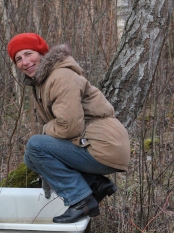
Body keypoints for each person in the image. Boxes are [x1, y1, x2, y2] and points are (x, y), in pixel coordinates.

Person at [7, 33, 130, 223]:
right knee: (31, 159)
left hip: (104, 145)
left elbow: (69, 127)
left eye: (28, 54)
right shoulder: (41, 82)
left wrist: (46, 129)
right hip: (92, 143)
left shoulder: (60, 77)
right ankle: (95, 183)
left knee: (35, 146)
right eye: (18, 59)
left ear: (42, 53)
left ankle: (81, 200)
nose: (25, 62)